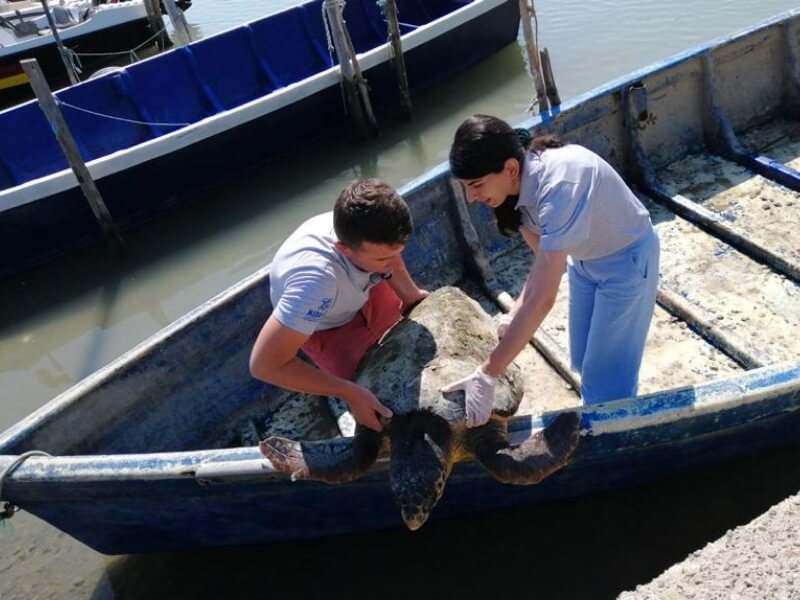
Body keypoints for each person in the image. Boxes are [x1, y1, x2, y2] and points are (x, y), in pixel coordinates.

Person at [442, 114, 660, 426]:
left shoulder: (559, 185)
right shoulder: (514, 191)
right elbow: (544, 267)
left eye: (476, 185)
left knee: (607, 380)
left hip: (627, 262)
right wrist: (514, 315)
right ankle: (600, 410)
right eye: (464, 187)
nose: (471, 197)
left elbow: (544, 298)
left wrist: (488, 373)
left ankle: (617, 430)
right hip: (583, 264)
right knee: (585, 359)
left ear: (511, 168)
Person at [249, 178, 428, 432]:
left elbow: (391, 258)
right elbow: (265, 364)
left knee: (409, 352)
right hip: (327, 325)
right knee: (375, 405)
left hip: (365, 285)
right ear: (344, 249)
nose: (396, 260)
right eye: (384, 257)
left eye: (398, 251)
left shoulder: (369, 229)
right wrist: (350, 392)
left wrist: (412, 297)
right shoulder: (314, 284)